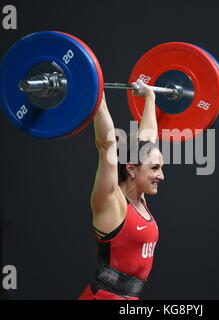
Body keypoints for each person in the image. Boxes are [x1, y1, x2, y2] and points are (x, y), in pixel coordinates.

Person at [79, 80, 165, 300]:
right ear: (131, 169)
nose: (161, 176)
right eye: (155, 168)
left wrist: (149, 98)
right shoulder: (112, 201)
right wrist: (97, 95)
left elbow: (148, 140)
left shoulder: (139, 198)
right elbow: (106, 145)